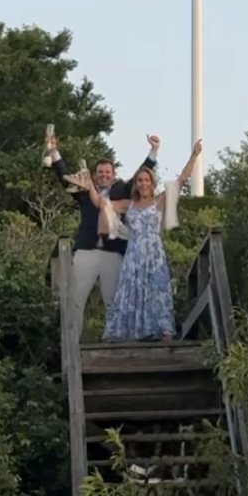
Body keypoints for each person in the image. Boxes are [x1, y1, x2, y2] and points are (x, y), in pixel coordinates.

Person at [42, 127, 159, 332]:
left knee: (113, 301)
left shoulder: (122, 190)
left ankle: (115, 343)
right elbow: (64, 176)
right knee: (75, 300)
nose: (104, 175)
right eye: (100, 172)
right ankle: (72, 344)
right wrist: (54, 151)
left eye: (107, 172)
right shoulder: (85, 191)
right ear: (95, 175)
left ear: (113, 175)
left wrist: (153, 152)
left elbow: (140, 176)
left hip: (112, 252)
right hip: (86, 250)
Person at [100, 139, 202, 343]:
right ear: (136, 184)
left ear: (152, 183)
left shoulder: (159, 202)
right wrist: (92, 185)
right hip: (134, 255)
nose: (143, 184)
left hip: (154, 255)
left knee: (157, 290)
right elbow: (101, 202)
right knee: (132, 292)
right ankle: (131, 334)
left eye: (147, 180)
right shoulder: (128, 204)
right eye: (140, 180)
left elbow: (181, 180)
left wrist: (194, 156)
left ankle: (163, 333)